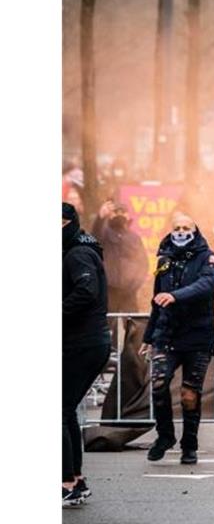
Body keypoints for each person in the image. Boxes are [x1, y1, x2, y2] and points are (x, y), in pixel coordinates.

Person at [140, 213, 214, 466]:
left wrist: (175, 295)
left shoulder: (209, 257)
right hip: (167, 334)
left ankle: (190, 445)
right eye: (176, 227)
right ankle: (165, 436)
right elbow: (156, 299)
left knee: (189, 394)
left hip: (198, 336)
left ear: (195, 231)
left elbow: (207, 285)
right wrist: (149, 336)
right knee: (158, 384)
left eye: (186, 227)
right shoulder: (163, 258)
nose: (181, 231)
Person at [63, 202, 111, 507]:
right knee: (65, 412)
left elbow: (86, 292)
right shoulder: (77, 248)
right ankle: (76, 480)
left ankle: (66, 482)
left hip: (83, 344)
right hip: (84, 342)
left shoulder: (77, 253)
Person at [91, 200, 149, 312]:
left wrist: (135, 284)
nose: (119, 214)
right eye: (115, 211)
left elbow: (143, 264)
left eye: (123, 211)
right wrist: (100, 218)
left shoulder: (135, 238)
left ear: (128, 215)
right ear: (110, 215)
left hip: (130, 291)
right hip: (109, 290)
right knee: (108, 324)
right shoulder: (104, 233)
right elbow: (95, 236)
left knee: (132, 325)